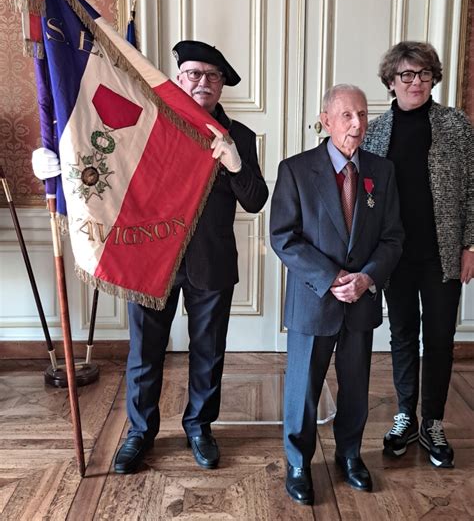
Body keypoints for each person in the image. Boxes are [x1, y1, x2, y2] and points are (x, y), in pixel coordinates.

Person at [32, 40, 268, 473]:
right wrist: (56, 166)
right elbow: (103, 172)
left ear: (221, 87)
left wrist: (235, 164)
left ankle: (200, 427)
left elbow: (256, 201)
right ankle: (140, 432)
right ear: (178, 78)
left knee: (208, 352)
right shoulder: (149, 129)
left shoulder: (242, 138)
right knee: (144, 352)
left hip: (211, 264)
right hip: (151, 259)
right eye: (194, 74)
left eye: (212, 77)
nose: (202, 82)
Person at [270, 84, 404, 505]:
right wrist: (331, 278)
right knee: (303, 389)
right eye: (347, 115)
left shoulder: (382, 172)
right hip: (315, 300)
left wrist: (365, 279)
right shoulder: (295, 169)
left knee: (356, 385)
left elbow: (393, 237)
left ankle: (350, 456)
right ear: (326, 120)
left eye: (363, 115)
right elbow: (283, 237)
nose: (357, 124)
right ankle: (297, 463)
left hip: (361, 301)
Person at [363, 41, 474, 468]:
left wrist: (469, 245)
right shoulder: (375, 130)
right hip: (395, 255)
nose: (416, 82)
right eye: (406, 75)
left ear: (433, 78)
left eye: (424, 74)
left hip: (442, 254)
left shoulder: (456, 125)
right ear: (391, 82)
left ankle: (433, 422)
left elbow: (471, 189)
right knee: (403, 334)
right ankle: (405, 415)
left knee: (441, 338)